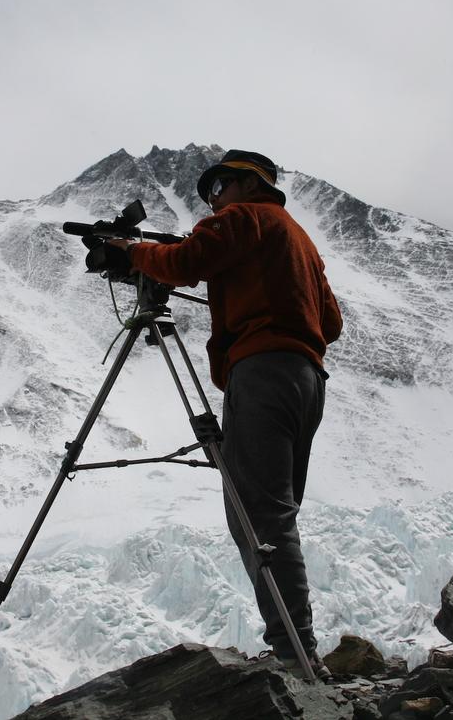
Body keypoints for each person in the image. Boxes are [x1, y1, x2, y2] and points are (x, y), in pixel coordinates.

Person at [108, 149, 342, 677]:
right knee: (274, 512)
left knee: (259, 517)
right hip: (306, 379)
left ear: (242, 185)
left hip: (261, 373)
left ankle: (296, 654)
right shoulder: (299, 239)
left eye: (217, 190)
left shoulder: (244, 219)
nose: (213, 204)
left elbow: (184, 263)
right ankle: (298, 646)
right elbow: (331, 322)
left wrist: (133, 252)